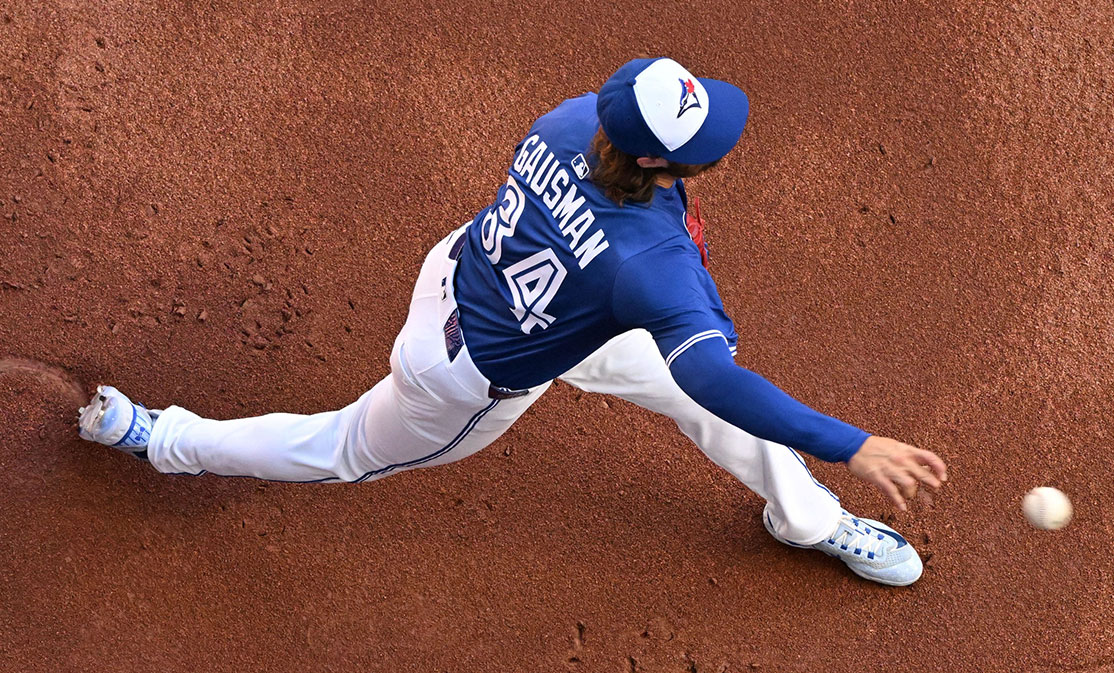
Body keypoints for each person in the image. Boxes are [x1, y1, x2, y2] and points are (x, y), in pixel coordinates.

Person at [79, 57, 947, 586]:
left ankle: (806, 518)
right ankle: (165, 440)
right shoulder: (655, 266)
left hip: (490, 272)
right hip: (457, 371)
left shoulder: (572, 118)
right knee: (342, 449)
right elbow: (709, 366)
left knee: (702, 399)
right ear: (655, 159)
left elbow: (694, 367)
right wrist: (852, 442)